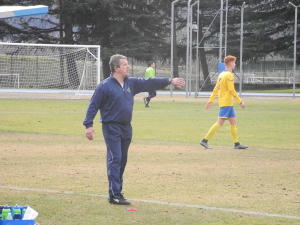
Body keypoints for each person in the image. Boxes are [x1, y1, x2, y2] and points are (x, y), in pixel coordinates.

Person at [83, 54, 185, 205]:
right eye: (124, 65)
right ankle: (114, 194)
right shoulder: (104, 86)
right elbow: (93, 105)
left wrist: (170, 80)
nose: (128, 67)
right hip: (111, 127)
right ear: (116, 68)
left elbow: (149, 83)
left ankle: (117, 191)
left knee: (122, 160)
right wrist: (89, 125)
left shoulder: (131, 83)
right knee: (115, 158)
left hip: (126, 127)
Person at [200, 55, 248, 150]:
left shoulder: (221, 74)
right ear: (230, 63)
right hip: (227, 103)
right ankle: (204, 140)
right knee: (220, 123)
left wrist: (211, 101)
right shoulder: (229, 75)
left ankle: (236, 143)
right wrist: (240, 101)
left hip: (225, 103)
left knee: (233, 122)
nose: (235, 64)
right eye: (234, 62)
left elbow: (215, 88)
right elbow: (231, 90)